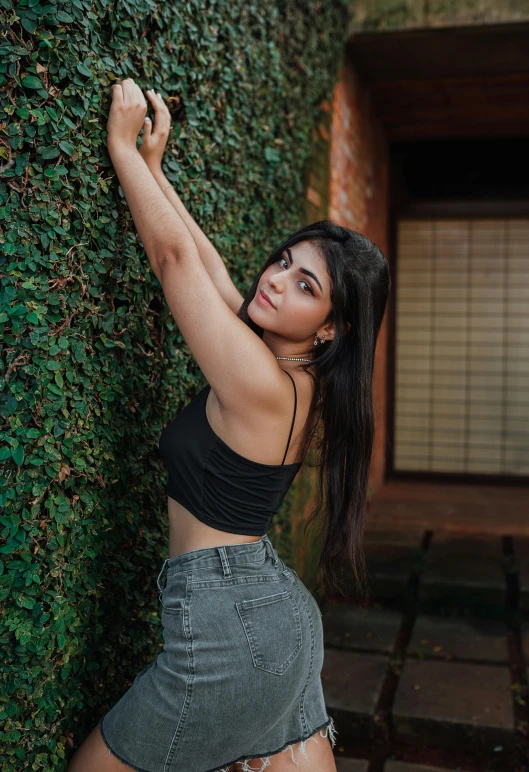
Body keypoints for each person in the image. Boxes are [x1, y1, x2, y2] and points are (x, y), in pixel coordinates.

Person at [67, 79, 390, 772]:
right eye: (284, 261)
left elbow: (173, 262)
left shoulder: (264, 388)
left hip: (225, 627)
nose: (275, 279)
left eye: (306, 286)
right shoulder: (290, 377)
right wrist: (156, 172)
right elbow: (213, 274)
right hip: (273, 616)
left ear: (331, 328)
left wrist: (121, 148)